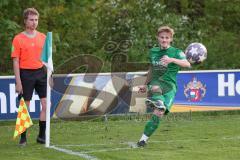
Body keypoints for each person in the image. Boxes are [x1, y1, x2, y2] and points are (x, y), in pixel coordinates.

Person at [137, 26, 191, 147]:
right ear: (158, 38)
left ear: (171, 39)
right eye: (162, 37)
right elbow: (151, 69)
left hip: (170, 86)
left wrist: (172, 59)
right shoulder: (153, 52)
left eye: (167, 38)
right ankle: (158, 100)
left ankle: (142, 140)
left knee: (159, 113)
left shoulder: (177, 52)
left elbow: (187, 64)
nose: (164, 40)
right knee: (156, 88)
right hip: (156, 83)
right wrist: (145, 85)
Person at [11, 8, 47, 146]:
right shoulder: (18, 39)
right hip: (25, 74)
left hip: (41, 73)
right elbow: (15, 61)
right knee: (25, 106)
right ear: (25, 21)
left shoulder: (43, 37)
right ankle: (23, 138)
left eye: (36, 20)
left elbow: (48, 59)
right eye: (31, 20)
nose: (34, 23)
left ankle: (42, 136)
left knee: (45, 104)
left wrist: (50, 76)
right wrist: (18, 82)